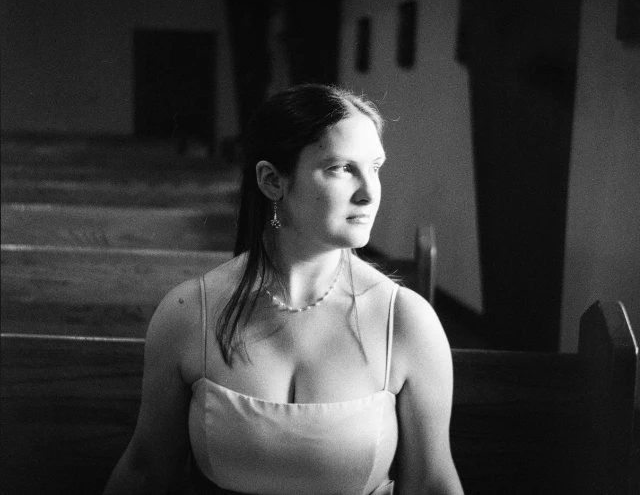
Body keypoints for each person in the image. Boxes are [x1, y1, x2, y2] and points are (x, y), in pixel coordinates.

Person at [104, 84, 464, 495]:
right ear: (272, 181)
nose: (369, 192)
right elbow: (148, 470)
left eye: (376, 167)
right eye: (341, 168)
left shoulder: (406, 322)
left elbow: (432, 484)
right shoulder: (190, 313)